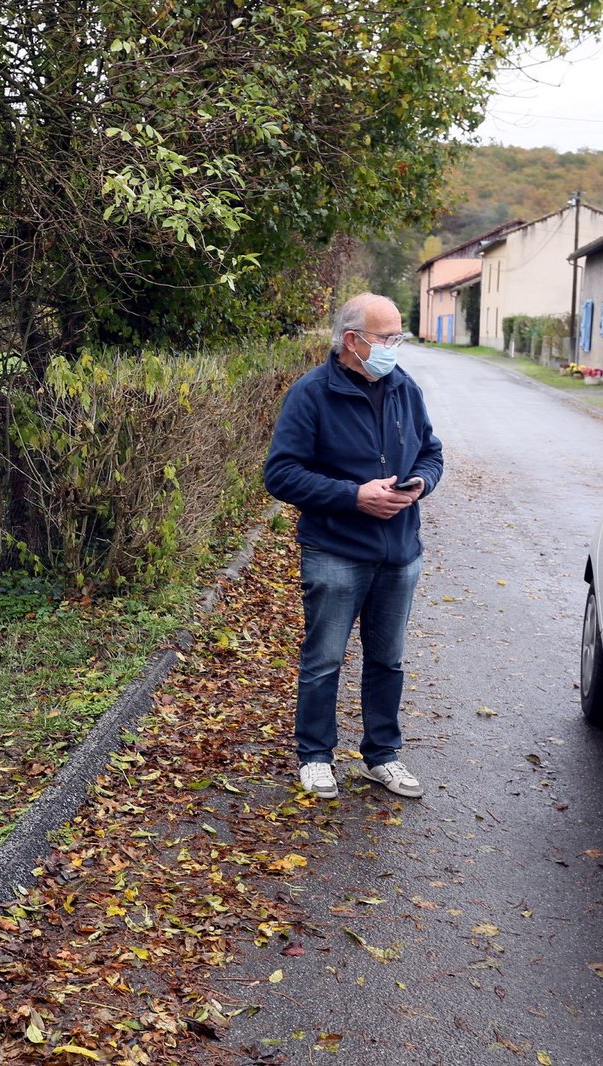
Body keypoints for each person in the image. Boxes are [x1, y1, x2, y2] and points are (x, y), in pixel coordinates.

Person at [263, 293, 443, 800]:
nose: (395, 347)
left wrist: (421, 485)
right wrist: (353, 496)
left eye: (398, 337)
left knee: (388, 659)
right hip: (336, 550)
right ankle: (316, 756)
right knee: (323, 659)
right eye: (387, 338)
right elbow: (280, 474)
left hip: (399, 553)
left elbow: (431, 452)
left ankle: (382, 756)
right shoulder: (310, 394)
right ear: (352, 342)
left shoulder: (404, 388)